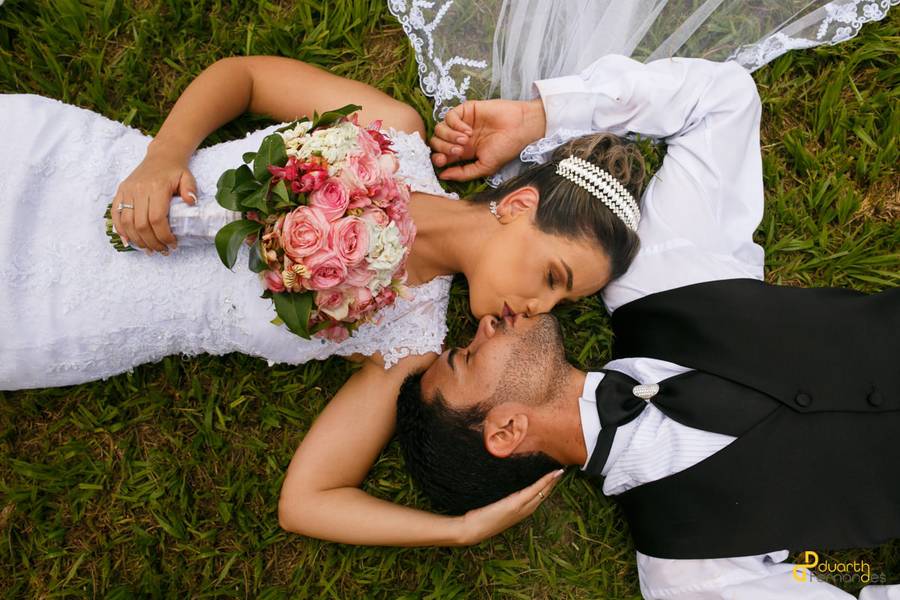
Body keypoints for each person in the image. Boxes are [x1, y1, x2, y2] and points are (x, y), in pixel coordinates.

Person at [393, 54, 900, 598]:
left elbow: (720, 98)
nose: (484, 327)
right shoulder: (685, 569)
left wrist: (538, 117)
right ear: (506, 431)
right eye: (467, 358)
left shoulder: (654, 284)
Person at [0, 55, 645, 390]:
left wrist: (463, 532)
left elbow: (309, 499)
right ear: (518, 207)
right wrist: (163, 154)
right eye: (553, 277)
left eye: (560, 301)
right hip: (60, 168)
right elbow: (246, 78)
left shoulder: (410, 341)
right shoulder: (392, 136)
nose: (537, 308)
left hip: (58, 320)